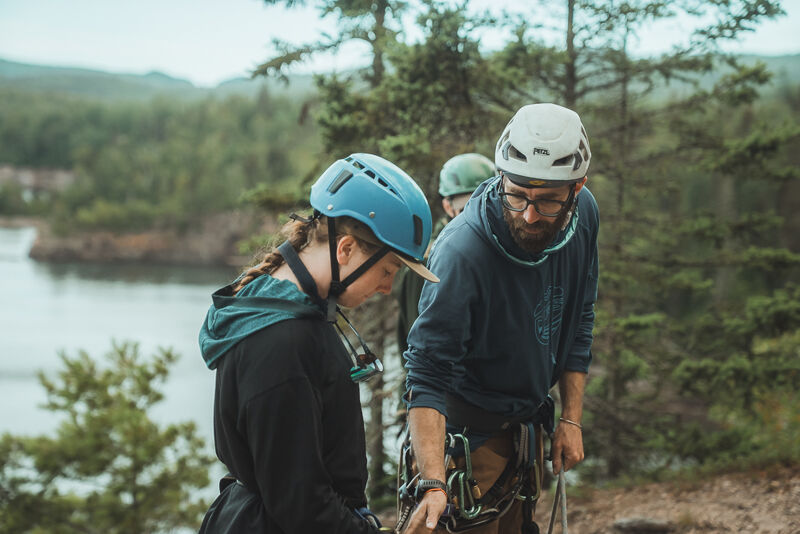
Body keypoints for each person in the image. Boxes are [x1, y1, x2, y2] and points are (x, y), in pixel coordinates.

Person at [197, 153, 439, 534]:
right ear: (345, 249)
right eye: (387, 269)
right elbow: (300, 504)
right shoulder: (282, 343)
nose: (387, 287)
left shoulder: (282, 308)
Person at [401, 103, 599, 534]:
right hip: (466, 442)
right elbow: (426, 374)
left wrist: (570, 418)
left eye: (547, 201)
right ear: (500, 177)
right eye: (517, 194)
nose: (529, 214)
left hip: (526, 431)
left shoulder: (584, 219)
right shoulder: (461, 252)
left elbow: (580, 314)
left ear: (577, 188)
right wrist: (434, 482)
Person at [395, 153, 496, 354]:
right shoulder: (427, 262)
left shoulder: (498, 246)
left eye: (485, 205)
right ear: (447, 206)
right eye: (466, 208)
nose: (478, 216)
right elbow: (419, 339)